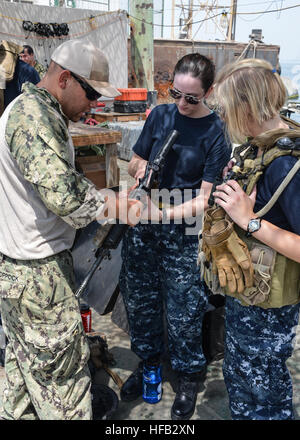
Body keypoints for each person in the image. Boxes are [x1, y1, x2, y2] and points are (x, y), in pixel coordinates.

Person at [0, 39, 143, 420]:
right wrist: (116, 206)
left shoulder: (41, 112)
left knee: (23, 374)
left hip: (24, 272)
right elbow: (65, 196)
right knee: (63, 382)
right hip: (37, 277)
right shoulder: (33, 118)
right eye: (92, 92)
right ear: (65, 78)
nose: (95, 103)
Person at [119, 53, 231, 420]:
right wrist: (141, 171)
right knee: (141, 301)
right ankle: (148, 362)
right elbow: (136, 158)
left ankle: (187, 377)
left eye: (192, 98)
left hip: (182, 232)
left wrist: (162, 212)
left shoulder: (216, 133)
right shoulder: (160, 116)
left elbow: (203, 199)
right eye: (175, 94)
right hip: (145, 228)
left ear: (208, 92)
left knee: (184, 310)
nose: (181, 104)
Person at [203, 58, 300, 420]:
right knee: (242, 386)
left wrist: (250, 221)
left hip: (269, 315)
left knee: (266, 401)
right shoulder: (259, 149)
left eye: (227, 109)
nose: (223, 118)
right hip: (248, 300)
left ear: (247, 107)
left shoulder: (286, 164)